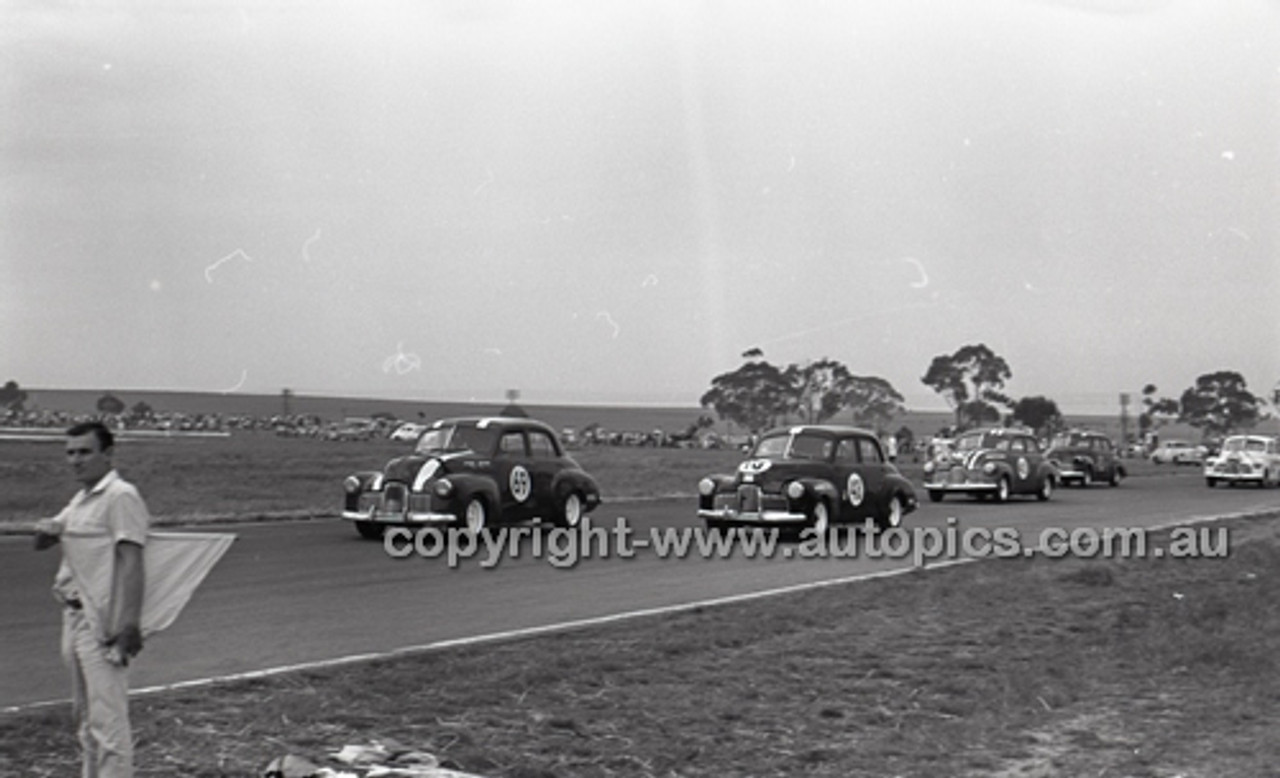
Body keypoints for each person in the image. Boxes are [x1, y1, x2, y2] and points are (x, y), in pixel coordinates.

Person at [34, 421, 149, 778]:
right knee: (85, 720)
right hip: (73, 616)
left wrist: (129, 624)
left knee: (108, 722)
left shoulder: (120, 496)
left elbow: (132, 561)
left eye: (84, 452)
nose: (75, 460)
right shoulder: (82, 498)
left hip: (102, 623)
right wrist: (46, 531)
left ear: (108, 454)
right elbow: (44, 541)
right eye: (70, 453)